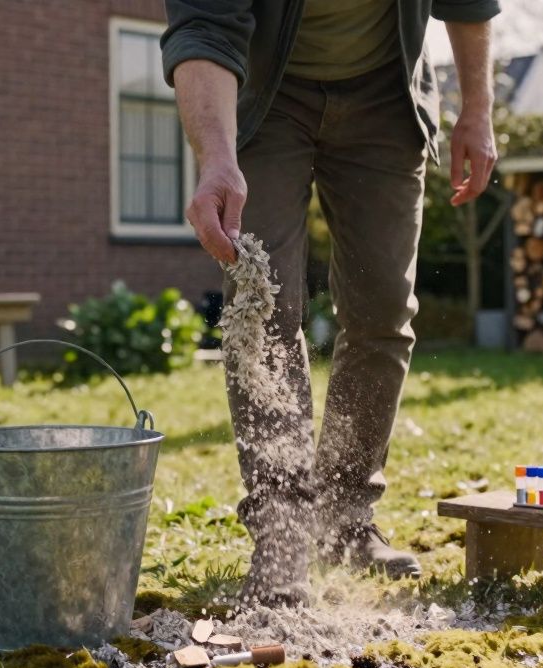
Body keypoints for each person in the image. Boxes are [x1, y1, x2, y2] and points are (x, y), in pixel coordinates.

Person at [162, 0, 499, 606]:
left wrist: (477, 109)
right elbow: (204, 26)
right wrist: (216, 157)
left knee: (382, 314)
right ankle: (282, 530)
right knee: (261, 311)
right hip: (264, 95)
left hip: (385, 96)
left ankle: (345, 522)